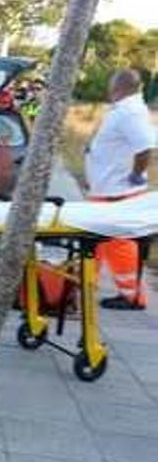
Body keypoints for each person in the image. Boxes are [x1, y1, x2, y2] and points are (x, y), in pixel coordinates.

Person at [84, 69, 156, 310]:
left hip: (117, 193)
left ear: (118, 87)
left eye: (110, 85)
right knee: (95, 242)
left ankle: (132, 296)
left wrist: (135, 175)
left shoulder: (129, 112)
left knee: (118, 244)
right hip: (107, 189)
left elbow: (145, 148)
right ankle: (83, 287)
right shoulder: (125, 110)